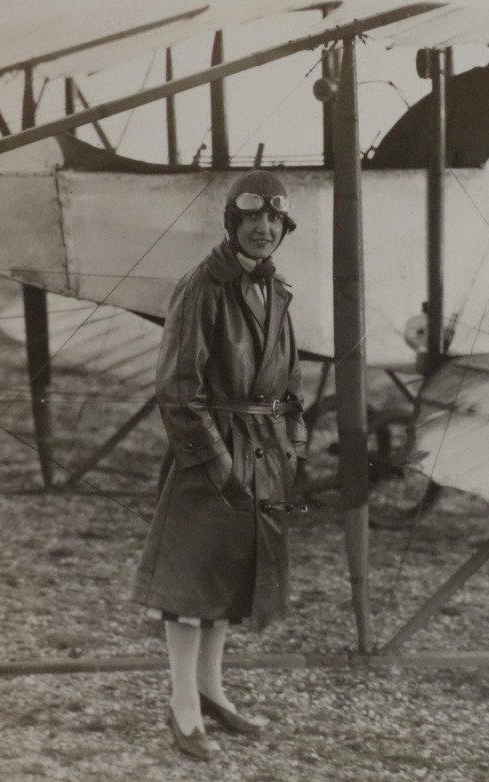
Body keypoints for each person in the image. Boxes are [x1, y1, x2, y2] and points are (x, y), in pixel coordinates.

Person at [132, 171, 308, 761]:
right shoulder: (203, 285)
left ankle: (211, 690)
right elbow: (179, 390)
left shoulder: (276, 290)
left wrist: (292, 442)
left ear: (283, 227)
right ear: (232, 223)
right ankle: (182, 702)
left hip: (263, 449)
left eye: (274, 221)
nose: (264, 229)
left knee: (230, 578)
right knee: (189, 583)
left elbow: (290, 379)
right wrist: (215, 462)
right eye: (252, 219)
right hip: (210, 450)